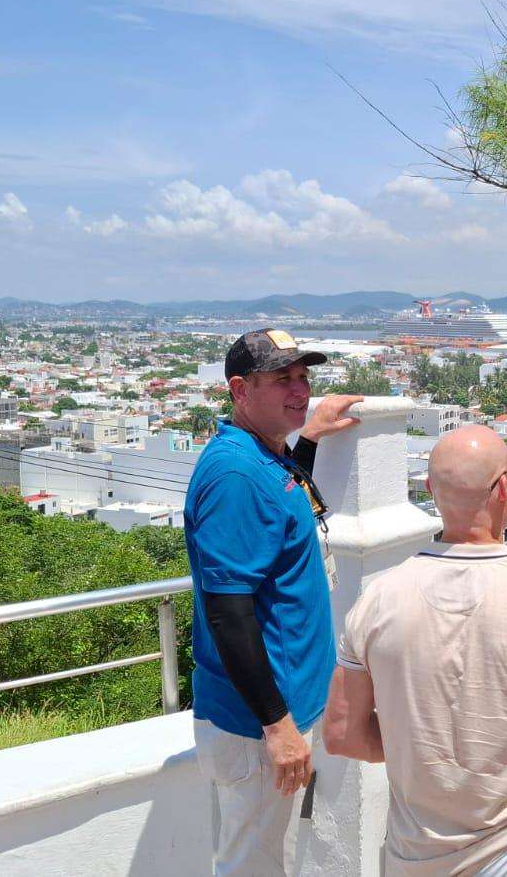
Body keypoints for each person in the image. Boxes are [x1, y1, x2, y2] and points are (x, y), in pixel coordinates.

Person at [324, 425, 507, 876]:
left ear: (431, 490)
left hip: (412, 852)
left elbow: (342, 734)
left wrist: (417, 748)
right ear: (505, 488)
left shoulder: (378, 599)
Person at [184, 327, 363, 877]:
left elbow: (282, 503)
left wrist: (306, 437)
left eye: (303, 376)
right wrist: (278, 727)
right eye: (282, 378)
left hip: (281, 712)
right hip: (256, 727)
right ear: (240, 390)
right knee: (250, 866)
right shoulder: (235, 473)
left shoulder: (266, 455)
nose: (300, 389)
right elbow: (228, 614)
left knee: (272, 858)